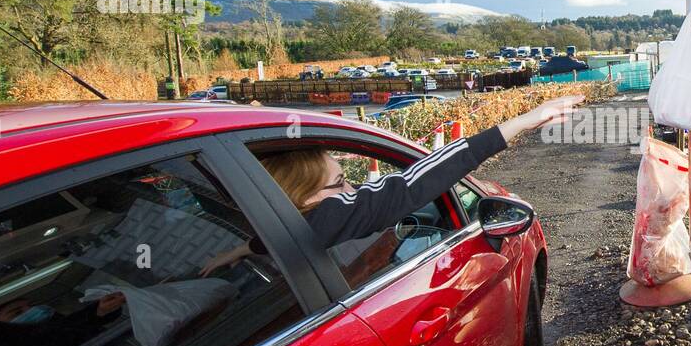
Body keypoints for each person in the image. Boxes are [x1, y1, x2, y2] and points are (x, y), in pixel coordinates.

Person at [201, 95, 583, 274]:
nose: (352, 190)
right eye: (340, 182)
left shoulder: (284, 230)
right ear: (308, 197)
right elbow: (412, 184)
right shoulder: (326, 221)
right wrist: (520, 122)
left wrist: (242, 249)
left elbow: (275, 232)